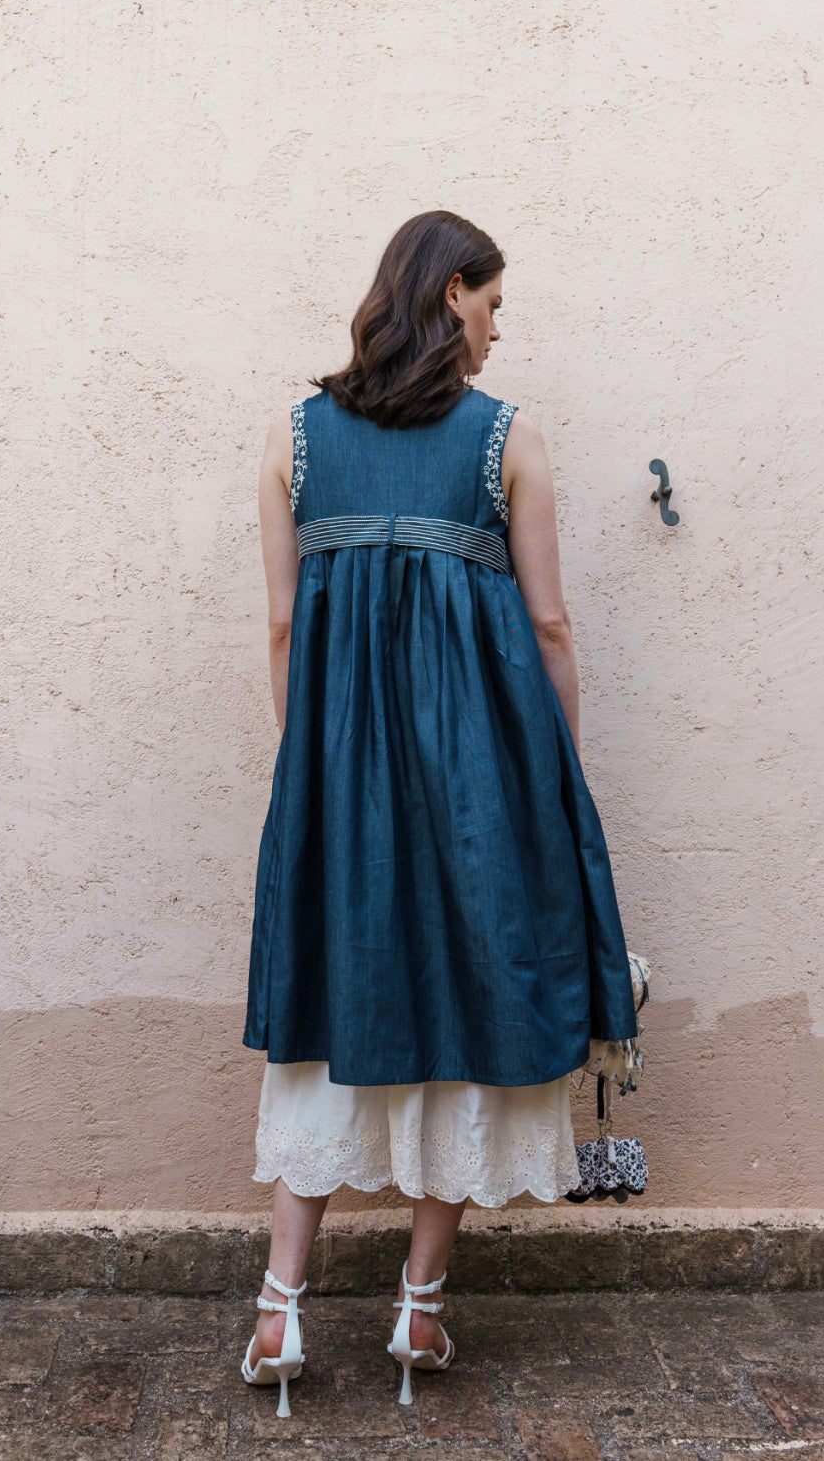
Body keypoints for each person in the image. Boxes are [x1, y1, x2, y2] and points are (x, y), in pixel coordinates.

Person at [240, 210, 643, 1417]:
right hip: (485, 781)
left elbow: (278, 629)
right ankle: (418, 1310)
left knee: (333, 1006)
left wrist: (309, 766)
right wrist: (553, 773)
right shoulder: (505, 439)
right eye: (494, 303)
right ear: (453, 293)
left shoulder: (291, 439)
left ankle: (278, 1313)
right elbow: (551, 624)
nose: (496, 328)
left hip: (336, 781)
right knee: (471, 1005)